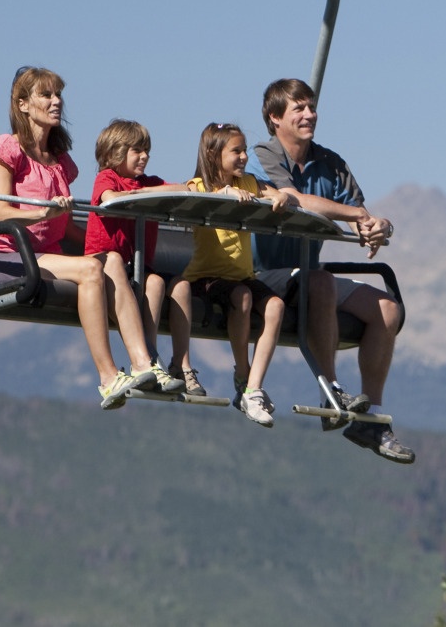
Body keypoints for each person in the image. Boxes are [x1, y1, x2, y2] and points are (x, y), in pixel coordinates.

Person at [0, 67, 160, 409]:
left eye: (58, 94)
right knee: (91, 270)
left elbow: (65, 229)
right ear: (23, 104)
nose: (56, 101)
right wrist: (42, 213)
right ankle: (107, 377)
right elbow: (1, 211)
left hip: (45, 255)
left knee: (111, 260)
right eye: (46, 95)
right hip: (10, 254)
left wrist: (104, 239)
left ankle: (144, 365)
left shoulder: (59, 162)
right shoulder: (7, 147)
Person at [253, 77, 413, 464]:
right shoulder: (261, 156)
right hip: (263, 274)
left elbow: (360, 213)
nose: (310, 114)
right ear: (276, 118)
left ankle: (370, 417)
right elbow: (296, 200)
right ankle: (332, 390)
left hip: (308, 273)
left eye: (312, 107)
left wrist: (377, 225)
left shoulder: (330, 162)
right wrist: (356, 214)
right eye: (299, 109)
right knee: (321, 282)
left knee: (388, 309)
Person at [179, 122, 296, 427]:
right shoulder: (198, 186)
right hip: (207, 276)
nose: (244, 156)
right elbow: (197, 199)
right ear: (213, 154)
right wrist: (224, 194)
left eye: (245, 150)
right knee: (242, 297)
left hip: (242, 275)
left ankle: (253, 388)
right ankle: (243, 376)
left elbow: (275, 193)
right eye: (237, 151)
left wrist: (280, 197)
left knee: (275, 306)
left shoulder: (249, 183)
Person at [82, 120, 186, 398]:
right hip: (106, 262)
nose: (144, 156)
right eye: (136, 150)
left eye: (147, 150)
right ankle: (144, 362)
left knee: (155, 283)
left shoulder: (146, 184)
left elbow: (183, 190)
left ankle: (151, 360)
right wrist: (135, 195)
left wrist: (144, 193)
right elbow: (108, 197)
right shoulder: (107, 176)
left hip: (135, 268)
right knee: (114, 259)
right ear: (116, 152)